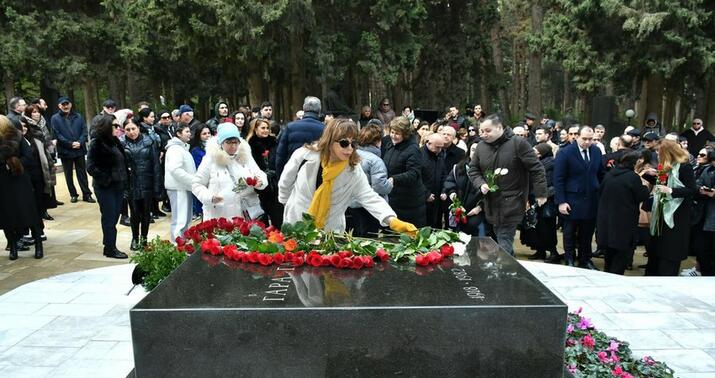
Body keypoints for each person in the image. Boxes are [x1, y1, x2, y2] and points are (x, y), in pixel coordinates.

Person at [278, 118, 415, 234]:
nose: (350, 148)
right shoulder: (304, 156)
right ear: (330, 140)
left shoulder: (354, 169)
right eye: (344, 143)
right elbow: (285, 182)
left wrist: (391, 220)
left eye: (354, 143)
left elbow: (368, 196)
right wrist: (288, 205)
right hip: (297, 224)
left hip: (330, 232)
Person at [468, 114, 547, 256]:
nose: (484, 135)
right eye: (481, 131)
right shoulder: (481, 147)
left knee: (504, 239)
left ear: (499, 127)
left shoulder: (518, 143)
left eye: (488, 131)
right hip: (491, 203)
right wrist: (480, 184)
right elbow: (473, 169)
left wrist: (541, 193)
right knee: (501, 238)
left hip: (512, 202)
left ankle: (505, 272)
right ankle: (511, 267)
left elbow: (537, 168)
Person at [193, 123, 267, 221]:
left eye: (236, 142)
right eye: (229, 142)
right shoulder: (210, 159)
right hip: (220, 214)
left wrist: (260, 181)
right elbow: (196, 184)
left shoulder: (245, 156)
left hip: (245, 212)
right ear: (221, 143)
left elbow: (259, 173)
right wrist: (210, 197)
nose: (233, 146)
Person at [553, 126, 604, 269]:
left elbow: (601, 174)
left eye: (591, 139)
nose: (588, 142)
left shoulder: (596, 151)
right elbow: (558, 179)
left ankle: (585, 259)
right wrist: (561, 201)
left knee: (587, 233)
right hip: (571, 199)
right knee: (569, 232)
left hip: (592, 198)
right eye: (585, 139)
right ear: (577, 137)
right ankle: (569, 258)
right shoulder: (565, 153)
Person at [645, 140, 697, 276]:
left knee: (670, 249)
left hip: (677, 213)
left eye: (659, 152)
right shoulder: (665, 166)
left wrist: (671, 190)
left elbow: (691, 189)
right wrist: (648, 175)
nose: (657, 154)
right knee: (658, 247)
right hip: (662, 211)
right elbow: (660, 183)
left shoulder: (684, 167)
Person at [596, 150, 651, 274]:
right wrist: (645, 185)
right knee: (620, 259)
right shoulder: (633, 177)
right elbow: (642, 195)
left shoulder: (610, 174)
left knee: (609, 258)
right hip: (623, 224)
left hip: (607, 222)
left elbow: (600, 191)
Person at [0, 115, 42, 260]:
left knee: (29, 213)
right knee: (7, 216)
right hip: (3, 182)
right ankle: (13, 246)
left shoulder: (16, 137)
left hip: (19, 180)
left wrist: (15, 163)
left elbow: (29, 156)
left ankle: (38, 245)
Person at [86, 115, 129, 259]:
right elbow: (90, 167)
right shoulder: (97, 143)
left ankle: (109, 244)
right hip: (105, 187)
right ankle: (110, 248)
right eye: (115, 126)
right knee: (109, 218)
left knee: (114, 216)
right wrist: (107, 179)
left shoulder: (115, 141)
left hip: (118, 185)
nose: (119, 129)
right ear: (106, 127)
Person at [121, 118, 161, 251]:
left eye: (133, 129)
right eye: (128, 129)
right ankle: (134, 238)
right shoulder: (121, 143)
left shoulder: (149, 141)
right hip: (131, 183)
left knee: (145, 213)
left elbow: (156, 165)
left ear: (138, 128)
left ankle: (144, 238)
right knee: (134, 213)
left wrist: (157, 186)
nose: (131, 132)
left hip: (147, 181)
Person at [345, 123, 393, 236]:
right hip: (370, 207)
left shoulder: (352, 154)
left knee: (356, 234)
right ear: (377, 141)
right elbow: (379, 186)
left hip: (352, 203)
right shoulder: (376, 161)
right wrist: (389, 184)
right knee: (369, 236)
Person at [383, 117, 427, 227]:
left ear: (405, 134)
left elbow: (414, 173)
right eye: (392, 132)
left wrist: (394, 179)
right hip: (394, 197)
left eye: (397, 133)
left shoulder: (412, 149)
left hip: (409, 203)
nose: (393, 136)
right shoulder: (391, 144)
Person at [51, 97, 95, 203]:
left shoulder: (78, 116)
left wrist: (79, 142)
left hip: (79, 149)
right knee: (68, 173)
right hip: (65, 150)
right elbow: (57, 134)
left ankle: (87, 194)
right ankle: (73, 194)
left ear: (70, 105)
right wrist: (70, 144)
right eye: (63, 104)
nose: (65, 106)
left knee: (82, 173)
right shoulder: (55, 118)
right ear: (59, 106)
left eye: (67, 104)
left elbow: (84, 131)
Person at [443, 143, 488, 236]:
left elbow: (492, 194)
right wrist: (452, 192)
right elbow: (450, 181)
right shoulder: (459, 167)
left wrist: (480, 207)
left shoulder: (488, 170)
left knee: (472, 228)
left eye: (479, 150)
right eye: (473, 150)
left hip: (478, 210)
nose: (475, 153)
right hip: (460, 208)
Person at [275, 96, 325, 178]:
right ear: (319, 110)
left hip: (293, 173)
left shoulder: (290, 127)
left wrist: (280, 176)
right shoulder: (325, 129)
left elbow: (280, 155)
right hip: (316, 174)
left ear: (304, 108)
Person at [23, 104, 58, 220]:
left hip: (46, 156)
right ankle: (40, 211)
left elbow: (47, 141)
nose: (37, 114)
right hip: (36, 160)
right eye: (33, 112)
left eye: (37, 111)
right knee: (39, 187)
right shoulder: (27, 125)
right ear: (29, 114)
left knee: (46, 185)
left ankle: (44, 210)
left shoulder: (42, 123)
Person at [526, 143, 559, 262]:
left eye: (536, 151)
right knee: (537, 227)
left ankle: (553, 252)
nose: (534, 152)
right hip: (535, 200)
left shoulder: (551, 165)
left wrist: (543, 195)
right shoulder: (537, 163)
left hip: (546, 202)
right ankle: (540, 251)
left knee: (547, 228)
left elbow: (553, 184)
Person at [164, 123, 196, 243]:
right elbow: (175, 170)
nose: (189, 134)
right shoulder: (175, 149)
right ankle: (177, 246)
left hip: (184, 187)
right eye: (187, 131)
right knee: (180, 220)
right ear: (178, 133)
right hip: (178, 188)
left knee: (185, 219)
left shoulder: (182, 147)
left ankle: (182, 243)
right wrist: (193, 180)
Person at [247, 118, 282, 227]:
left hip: (275, 183)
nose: (266, 130)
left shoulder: (274, 142)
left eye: (267, 128)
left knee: (277, 215)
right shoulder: (250, 145)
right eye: (263, 128)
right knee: (262, 217)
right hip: (259, 185)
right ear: (255, 129)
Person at [421, 133, 447, 229]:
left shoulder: (439, 154)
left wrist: (444, 190)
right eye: (437, 147)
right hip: (422, 199)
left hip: (437, 198)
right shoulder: (419, 155)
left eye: (441, 148)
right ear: (429, 143)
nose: (440, 150)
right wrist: (426, 194)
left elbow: (444, 174)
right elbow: (417, 178)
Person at [189, 123, 212, 220]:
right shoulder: (196, 150)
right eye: (204, 134)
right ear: (199, 136)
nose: (207, 135)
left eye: (209, 133)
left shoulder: (215, 148)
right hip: (203, 182)